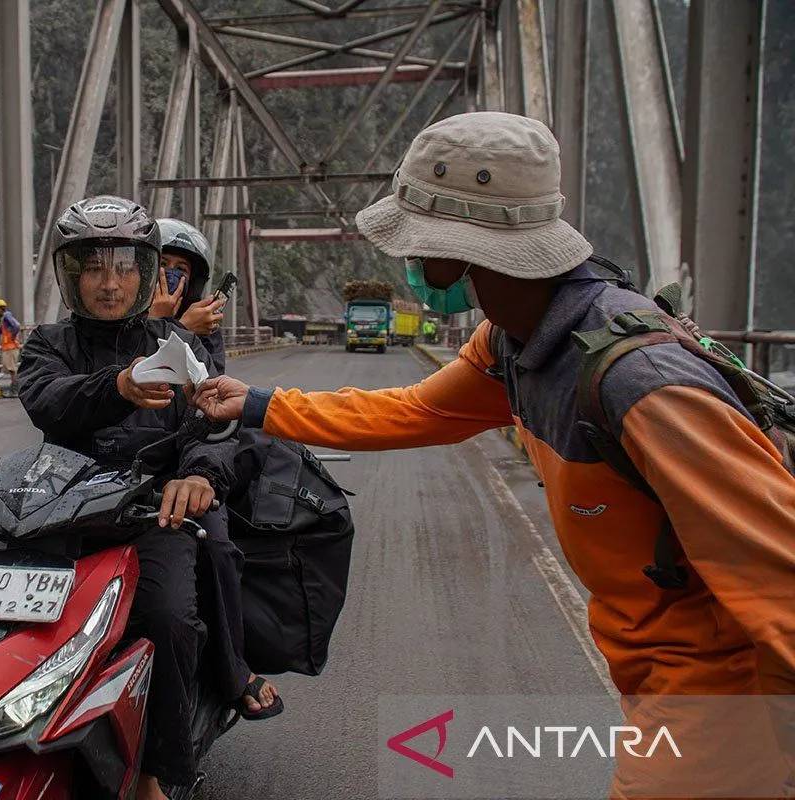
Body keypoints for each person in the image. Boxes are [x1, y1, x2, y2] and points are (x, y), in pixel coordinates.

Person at [195, 112, 795, 794]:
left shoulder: (641, 387)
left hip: (718, 705)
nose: (414, 265)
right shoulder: (513, 343)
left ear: (461, 254)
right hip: (651, 678)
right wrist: (259, 404)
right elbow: (416, 409)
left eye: (419, 248)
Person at [17, 196, 280, 800]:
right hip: (67, 508)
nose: (110, 284)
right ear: (70, 274)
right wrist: (118, 386)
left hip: (150, 509)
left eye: (125, 268)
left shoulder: (173, 343)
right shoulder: (47, 344)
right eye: (93, 267)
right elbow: (47, 402)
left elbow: (214, 422)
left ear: (145, 274)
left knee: (165, 616)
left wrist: (199, 477)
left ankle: (163, 773)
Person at [148, 218, 227, 373]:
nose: (170, 274)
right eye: (163, 264)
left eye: (181, 269)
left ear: (193, 281)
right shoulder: (126, 313)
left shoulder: (204, 324)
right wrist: (181, 328)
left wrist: (183, 331)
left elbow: (211, 381)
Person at [0, 298, 21, 397]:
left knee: (12, 370)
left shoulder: (7, 316)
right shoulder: (4, 318)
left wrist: (12, 336)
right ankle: (14, 390)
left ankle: (15, 391)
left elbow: (16, 326)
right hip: (8, 348)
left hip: (11, 347)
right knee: (11, 369)